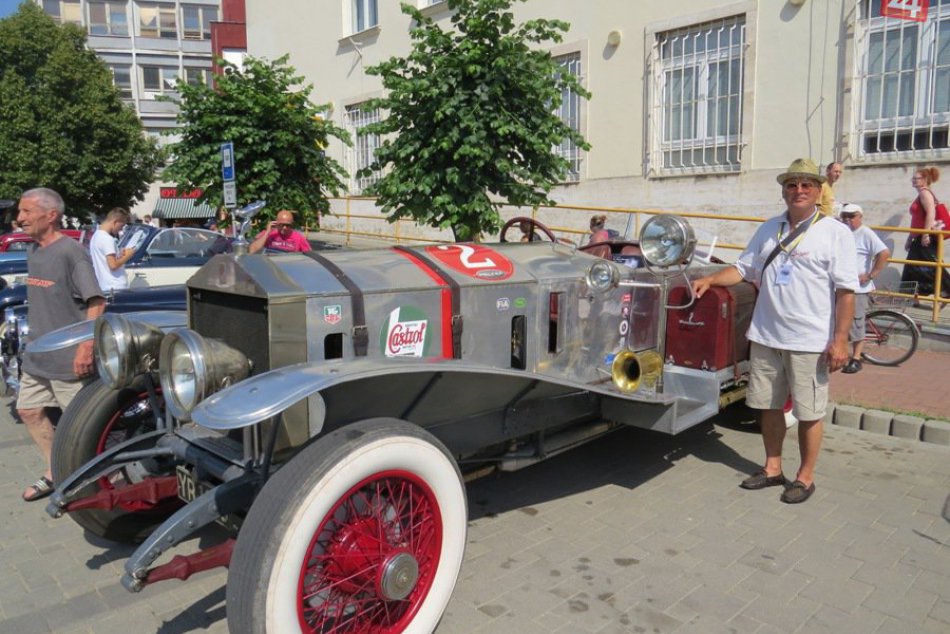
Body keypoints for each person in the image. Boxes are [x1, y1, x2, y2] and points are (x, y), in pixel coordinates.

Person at [691, 158, 857, 504]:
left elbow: (845, 292)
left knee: (809, 412)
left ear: (818, 190)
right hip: (766, 335)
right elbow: (742, 268)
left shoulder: (835, 233)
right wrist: (709, 279)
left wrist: (840, 340)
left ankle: (805, 477)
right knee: (768, 406)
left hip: (809, 340)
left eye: (806, 185)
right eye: (792, 185)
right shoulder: (769, 228)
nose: (798, 191)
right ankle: (772, 468)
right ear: (784, 191)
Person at [15, 188, 105, 501]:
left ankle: (96, 482)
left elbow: (96, 301)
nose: (19, 218)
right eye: (20, 212)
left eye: (26, 212)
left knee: (81, 428)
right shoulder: (34, 251)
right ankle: (56, 471)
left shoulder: (71, 252)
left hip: (68, 360)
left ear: (50, 215)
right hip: (38, 355)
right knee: (27, 410)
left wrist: (86, 346)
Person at [838, 203, 890, 374]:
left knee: (856, 322)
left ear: (860, 216)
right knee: (839, 321)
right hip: (841, 285)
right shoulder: (840, 232)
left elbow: (884, 253)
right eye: (844, 216)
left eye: (851, 216)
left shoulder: (865, 233)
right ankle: (840, 354)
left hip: (858, 289)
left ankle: (856, 358)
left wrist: (870, 275)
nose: (847, 219)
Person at [900, 166, 950, 302]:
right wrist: (910, 237)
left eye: (917, 178)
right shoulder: (921, 194)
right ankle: (915, 297)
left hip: (925, 237)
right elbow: (917, 219)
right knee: (914, 268)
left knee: (929, 266)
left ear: (925, 180)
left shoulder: (924, 193)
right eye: (913, 178)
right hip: (919, 236)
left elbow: (931, 214)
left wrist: (925, 234)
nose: (914, 181)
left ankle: (946, 291)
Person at [90, 207, 135, 292]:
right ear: (115, 222)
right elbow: (113, 265)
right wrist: (128, 256)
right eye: (121, 226)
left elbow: (106, 260)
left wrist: (118, 254)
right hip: (115, 286)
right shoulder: (107, 239)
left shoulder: (96, 236)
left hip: (104, 285)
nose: (121, 229)